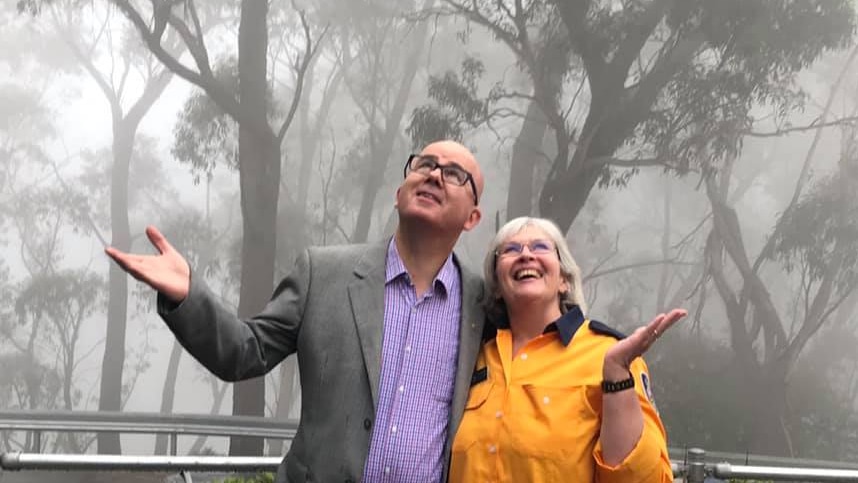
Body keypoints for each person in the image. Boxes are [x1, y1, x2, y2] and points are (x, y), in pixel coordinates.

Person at [105, 140, 486, 483]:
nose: (434, 175)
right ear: (398, 193)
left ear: (472, 218)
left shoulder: (482, 307)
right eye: (424, 164)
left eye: (453, 174)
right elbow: (244, 352)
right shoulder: (323, 273)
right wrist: (189, 295)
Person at [449, 216, 686, 482]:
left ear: (564, 279)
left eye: (540, 247)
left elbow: (648, 478)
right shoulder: (472, 357)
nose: (526, 255)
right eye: (511, 250)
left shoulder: (610, 355)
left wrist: (617, 378)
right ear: (496, 288)